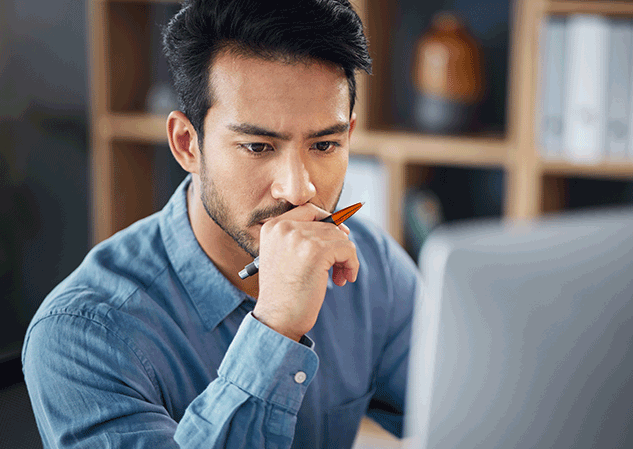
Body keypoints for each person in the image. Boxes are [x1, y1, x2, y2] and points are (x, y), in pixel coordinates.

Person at [22, 0, 419, 447]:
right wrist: (275, 329)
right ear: (187, 144)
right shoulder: (80, 334)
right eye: (257, 147)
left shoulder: (374, 264)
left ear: (348, 135)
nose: (298, 189)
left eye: (324, 145)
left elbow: (464, 415)